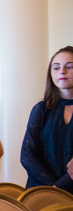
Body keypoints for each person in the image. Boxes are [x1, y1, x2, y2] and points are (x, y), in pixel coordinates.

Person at [21, 46, 73, 192]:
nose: (62, 71)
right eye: (56, 68)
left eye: (69, 67)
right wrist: (54, 188)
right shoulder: (41, 109)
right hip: (42, 189)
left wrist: (61, 186)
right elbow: (27, 156)